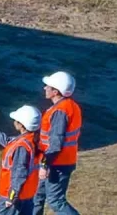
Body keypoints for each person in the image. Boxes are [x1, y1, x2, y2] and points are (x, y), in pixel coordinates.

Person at [0, 106, 42, 215]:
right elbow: (8, 141)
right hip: (27, 194)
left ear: (21, 124)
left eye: (16, 120)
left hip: (14, 196)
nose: (14, 122)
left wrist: (11, 197)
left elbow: (19, 174)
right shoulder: (31, 139)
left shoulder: (22, 147)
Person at [39, 71, 84, 215]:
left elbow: (56, 142)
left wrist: (45, 165)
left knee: (55, 201)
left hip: (57, 163)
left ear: (56, 91)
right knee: (37, 195)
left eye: (48, 86)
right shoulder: (71, 106)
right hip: (61, 160)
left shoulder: (60, 111)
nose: (45, 88)